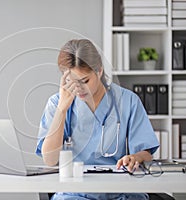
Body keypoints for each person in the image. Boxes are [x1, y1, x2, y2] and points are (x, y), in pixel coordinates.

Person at [35, 39, 160, 200]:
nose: (78, 88)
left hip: (121, 191)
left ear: (99, 71)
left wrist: (135, 158)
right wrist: (62, 110)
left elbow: (147, 153)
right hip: (76, 193)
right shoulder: (56, 103)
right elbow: (50, 160)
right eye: (70, 82)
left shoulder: (128, 101)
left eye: (84, 80)